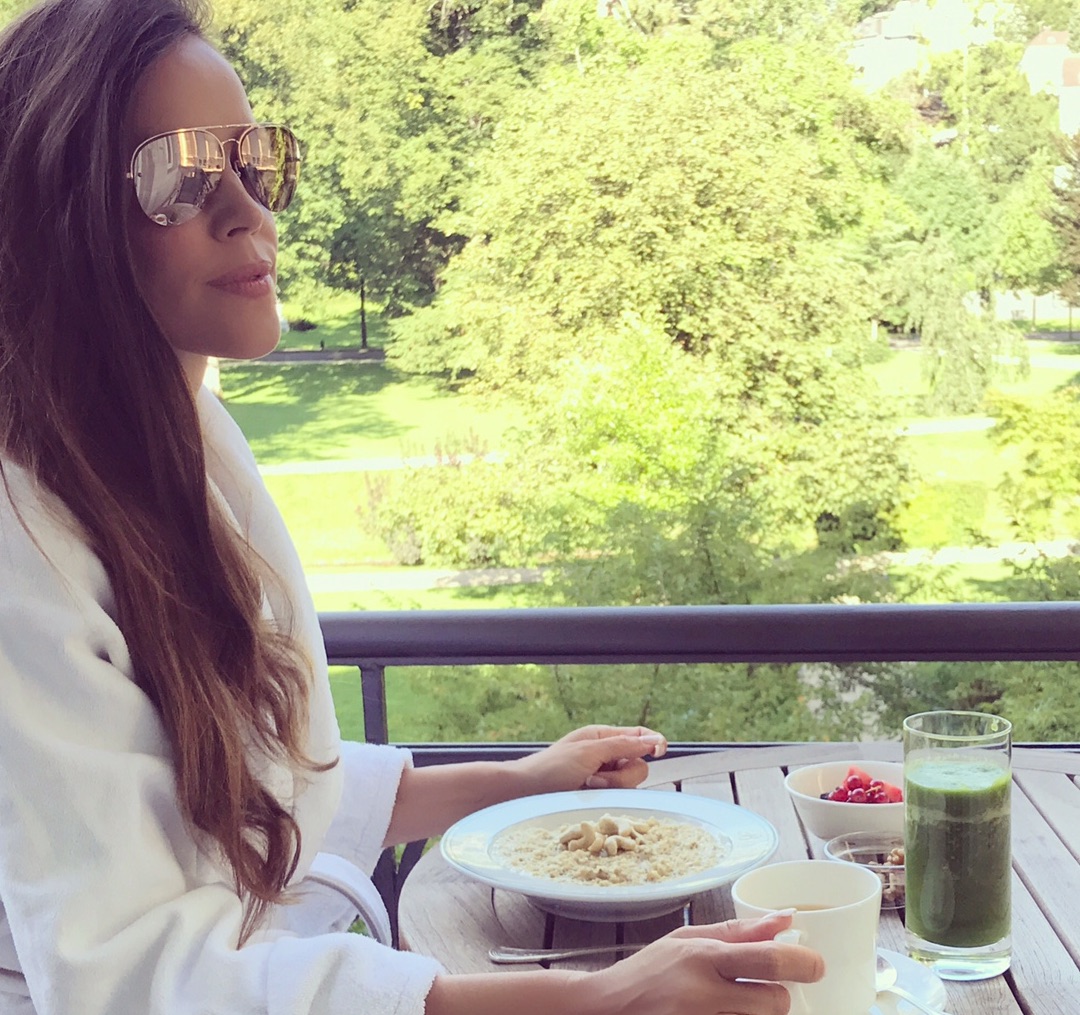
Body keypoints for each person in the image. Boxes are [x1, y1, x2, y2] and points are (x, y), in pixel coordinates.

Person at [0, 1, 825, 1013]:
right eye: (181, 176)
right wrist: (600, 998)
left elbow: (264, 791)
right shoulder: (23, 537)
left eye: (257, 161)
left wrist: (522, 778)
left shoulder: (179, 451)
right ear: (58, 217)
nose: (249, 212)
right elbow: (124, 975)